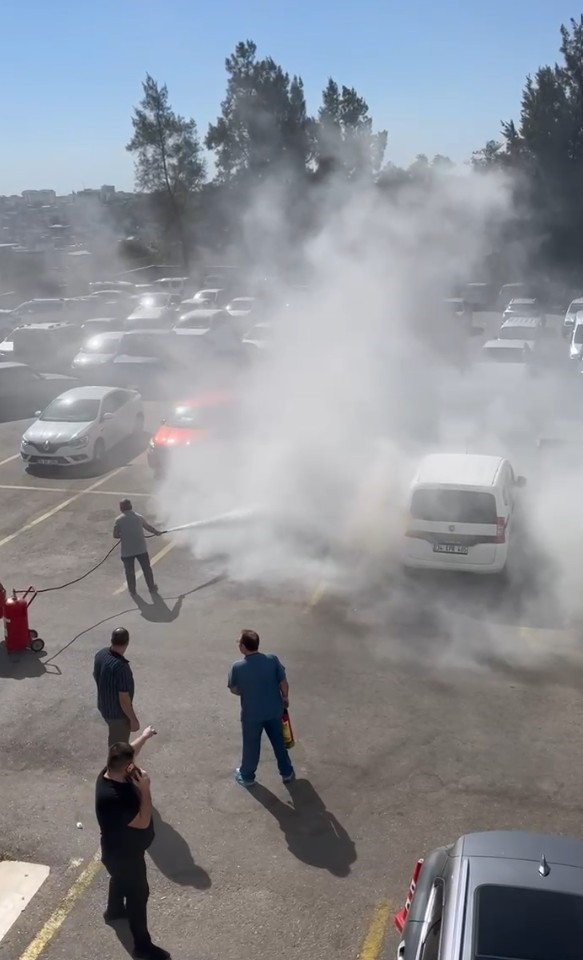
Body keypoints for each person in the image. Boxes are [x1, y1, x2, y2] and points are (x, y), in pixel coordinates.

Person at [95, 726, 170, 960]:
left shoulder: (108, 771)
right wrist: (145, 790)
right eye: (132, 765)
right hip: (126, 857)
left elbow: (130, 752)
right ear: (126, 767)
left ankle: (115, 911)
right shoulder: (117, 798)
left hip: (114, 854)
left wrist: (144, 737)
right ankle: (143, 947)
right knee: (139, 897)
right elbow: (143, 820)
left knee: (119, 879)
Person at [228, 628, 295, 787]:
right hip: (274, 710)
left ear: (243, 647)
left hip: (252, 714)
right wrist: (285, 698)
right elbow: (283, 683)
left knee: (251, 745)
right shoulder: (272, 659)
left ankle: (247, 776)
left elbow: (234, 689)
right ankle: (287, 772)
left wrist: (248, 690)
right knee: (279, 742)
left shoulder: (237, 667)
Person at [93, 627, 139, 746]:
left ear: (111, 640)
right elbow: (124, 698)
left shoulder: (101, 654)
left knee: (114, 736)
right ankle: (115, 764)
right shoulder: (121, 667)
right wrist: (133, 719)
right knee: (118, 745)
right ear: (127, 642)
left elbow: (95, 675)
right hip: (117, 715)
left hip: (103, 706)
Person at [113, 498, 163, 596]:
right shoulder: (139, 517)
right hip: (141, 549)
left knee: (129, 571)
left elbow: (115, 535)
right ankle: (151, 587)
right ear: (131, 506)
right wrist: (156, 532)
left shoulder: (118, 520)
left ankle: (132, 590)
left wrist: (124, 534)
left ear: (121, 508)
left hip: (127, 551)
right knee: (146, 569)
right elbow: (148, 527)